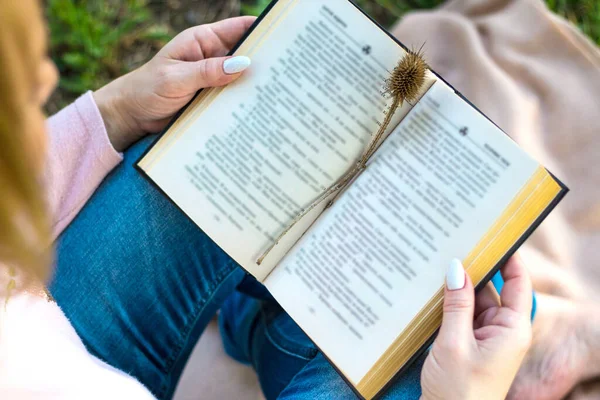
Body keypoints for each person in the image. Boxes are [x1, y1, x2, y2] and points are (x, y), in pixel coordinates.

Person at [1, 0, 534, 398]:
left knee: (187, 149)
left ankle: (255, 322)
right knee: (455, 323)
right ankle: (269, 333)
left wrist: (115, 112)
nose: (49, 78)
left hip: (39, 318)